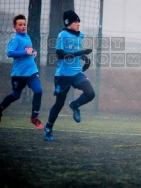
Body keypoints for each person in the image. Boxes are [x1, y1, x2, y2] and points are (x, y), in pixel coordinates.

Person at [43, 10, 95, 142]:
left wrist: (84, 58)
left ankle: (75, 105)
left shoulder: (80, 36)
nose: (78, 23)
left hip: (77, 72)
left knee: (90, 93)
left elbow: (75, 52)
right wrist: (79, 53)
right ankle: (48, 127)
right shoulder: (63, 35)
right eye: (75, 21)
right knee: (59, 104)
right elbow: (60, 54)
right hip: (63, 75)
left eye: (79, 21)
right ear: (67, 23)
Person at [0, 14, 43, 129]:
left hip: (31, 71)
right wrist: (25, 53)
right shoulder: (15, 39)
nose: (23, 26)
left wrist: (34, 51)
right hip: (19, 74)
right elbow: (10, 53)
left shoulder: (27, 37)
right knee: (15, 96)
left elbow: (29, 49)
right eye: (20, 25)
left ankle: (34, 117)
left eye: (24, 24)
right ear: (14, 27)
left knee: (39, 90)